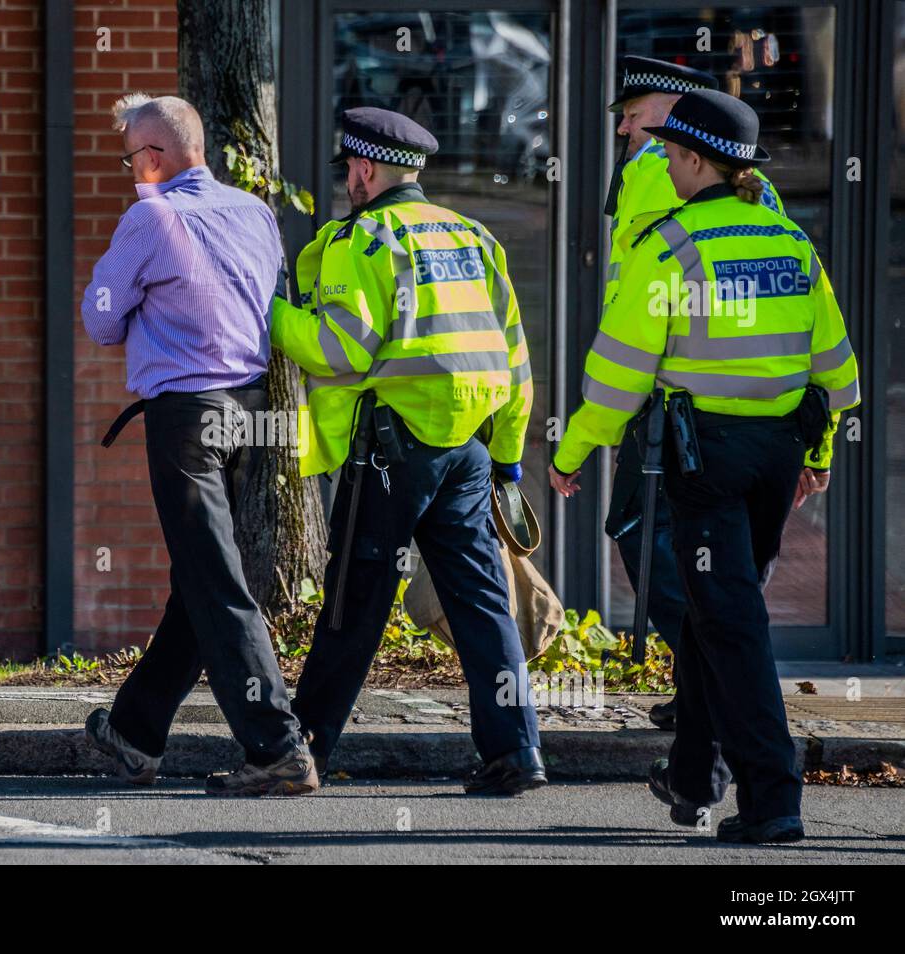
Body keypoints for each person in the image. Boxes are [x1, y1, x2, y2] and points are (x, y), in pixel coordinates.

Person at [550, 90, 860, 843]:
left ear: (693, 160)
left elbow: (618, 376)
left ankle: (774, 799)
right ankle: (693, 777)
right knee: (709, 612)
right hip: (777, 458)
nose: (661, 161)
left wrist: (570, 450)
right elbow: (839, 373)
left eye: (669, 153)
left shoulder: (670, 247)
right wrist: (817, 455)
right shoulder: (790, 243)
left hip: (706, 460)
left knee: (732, 622)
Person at [272, 107, 544, 795]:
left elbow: (341, 347)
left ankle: (303, 751)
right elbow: (515, 364)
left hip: (392, 451)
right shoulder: (474, 237)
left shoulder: (365, 239)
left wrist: (269, 314)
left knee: (352, 603)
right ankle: (517, 753)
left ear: (365, 169)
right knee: (484, 605)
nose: (348, 184)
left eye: (349, 172)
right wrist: (507, 460)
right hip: (470, 453)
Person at [80, 93, 316, 797]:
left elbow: (100, 321)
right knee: (200, 579)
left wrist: (116, 292)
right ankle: (135, 732)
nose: (129, 172)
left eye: (130, 159)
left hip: (185, 416)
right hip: (248, 415)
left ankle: (276, 745)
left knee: (214, 581)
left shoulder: (151, 216)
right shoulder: (254, 212)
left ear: (153, 157)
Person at [603, 56, 785, 732]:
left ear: (677, 112)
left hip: (670, 398)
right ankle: (703, 697)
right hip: (752, 405)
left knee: (642, 533)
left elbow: (645, 299)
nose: (625, 127)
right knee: (713, 555)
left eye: (635, 112)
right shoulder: (753, 185)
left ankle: (715, 683)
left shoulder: (657, 170)